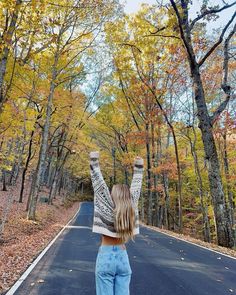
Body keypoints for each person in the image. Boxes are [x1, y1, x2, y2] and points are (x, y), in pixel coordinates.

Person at [89, 151, 144, 295]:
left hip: (106, 256)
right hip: (123, 257)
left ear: (112, 196)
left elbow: (98, 184)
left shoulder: (106, 207)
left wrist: (94, 160)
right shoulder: (130, 209)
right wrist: (139, 168)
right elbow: (136, 189)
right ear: (128, 198)